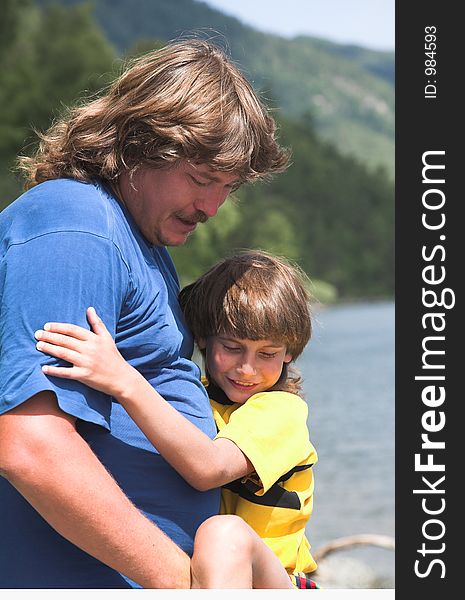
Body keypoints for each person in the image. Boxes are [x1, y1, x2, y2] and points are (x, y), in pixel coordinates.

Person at [0, 40, 289, 588]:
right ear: (139, 145)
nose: (211, 208)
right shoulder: (75, 224)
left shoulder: (137, 237)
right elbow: (32, 446)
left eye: (226, 188)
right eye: (202, 180)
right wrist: (185, 587)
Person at [34, 251, 319, 589]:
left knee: (223, 535)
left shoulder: (282, 411)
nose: (247, 368)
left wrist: (122, 379)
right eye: (231, 347)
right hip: (213, 578)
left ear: (290, 352)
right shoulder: (197, 397)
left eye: (267, 354)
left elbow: (208, 469)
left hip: (278, 581)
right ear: (202, 338)